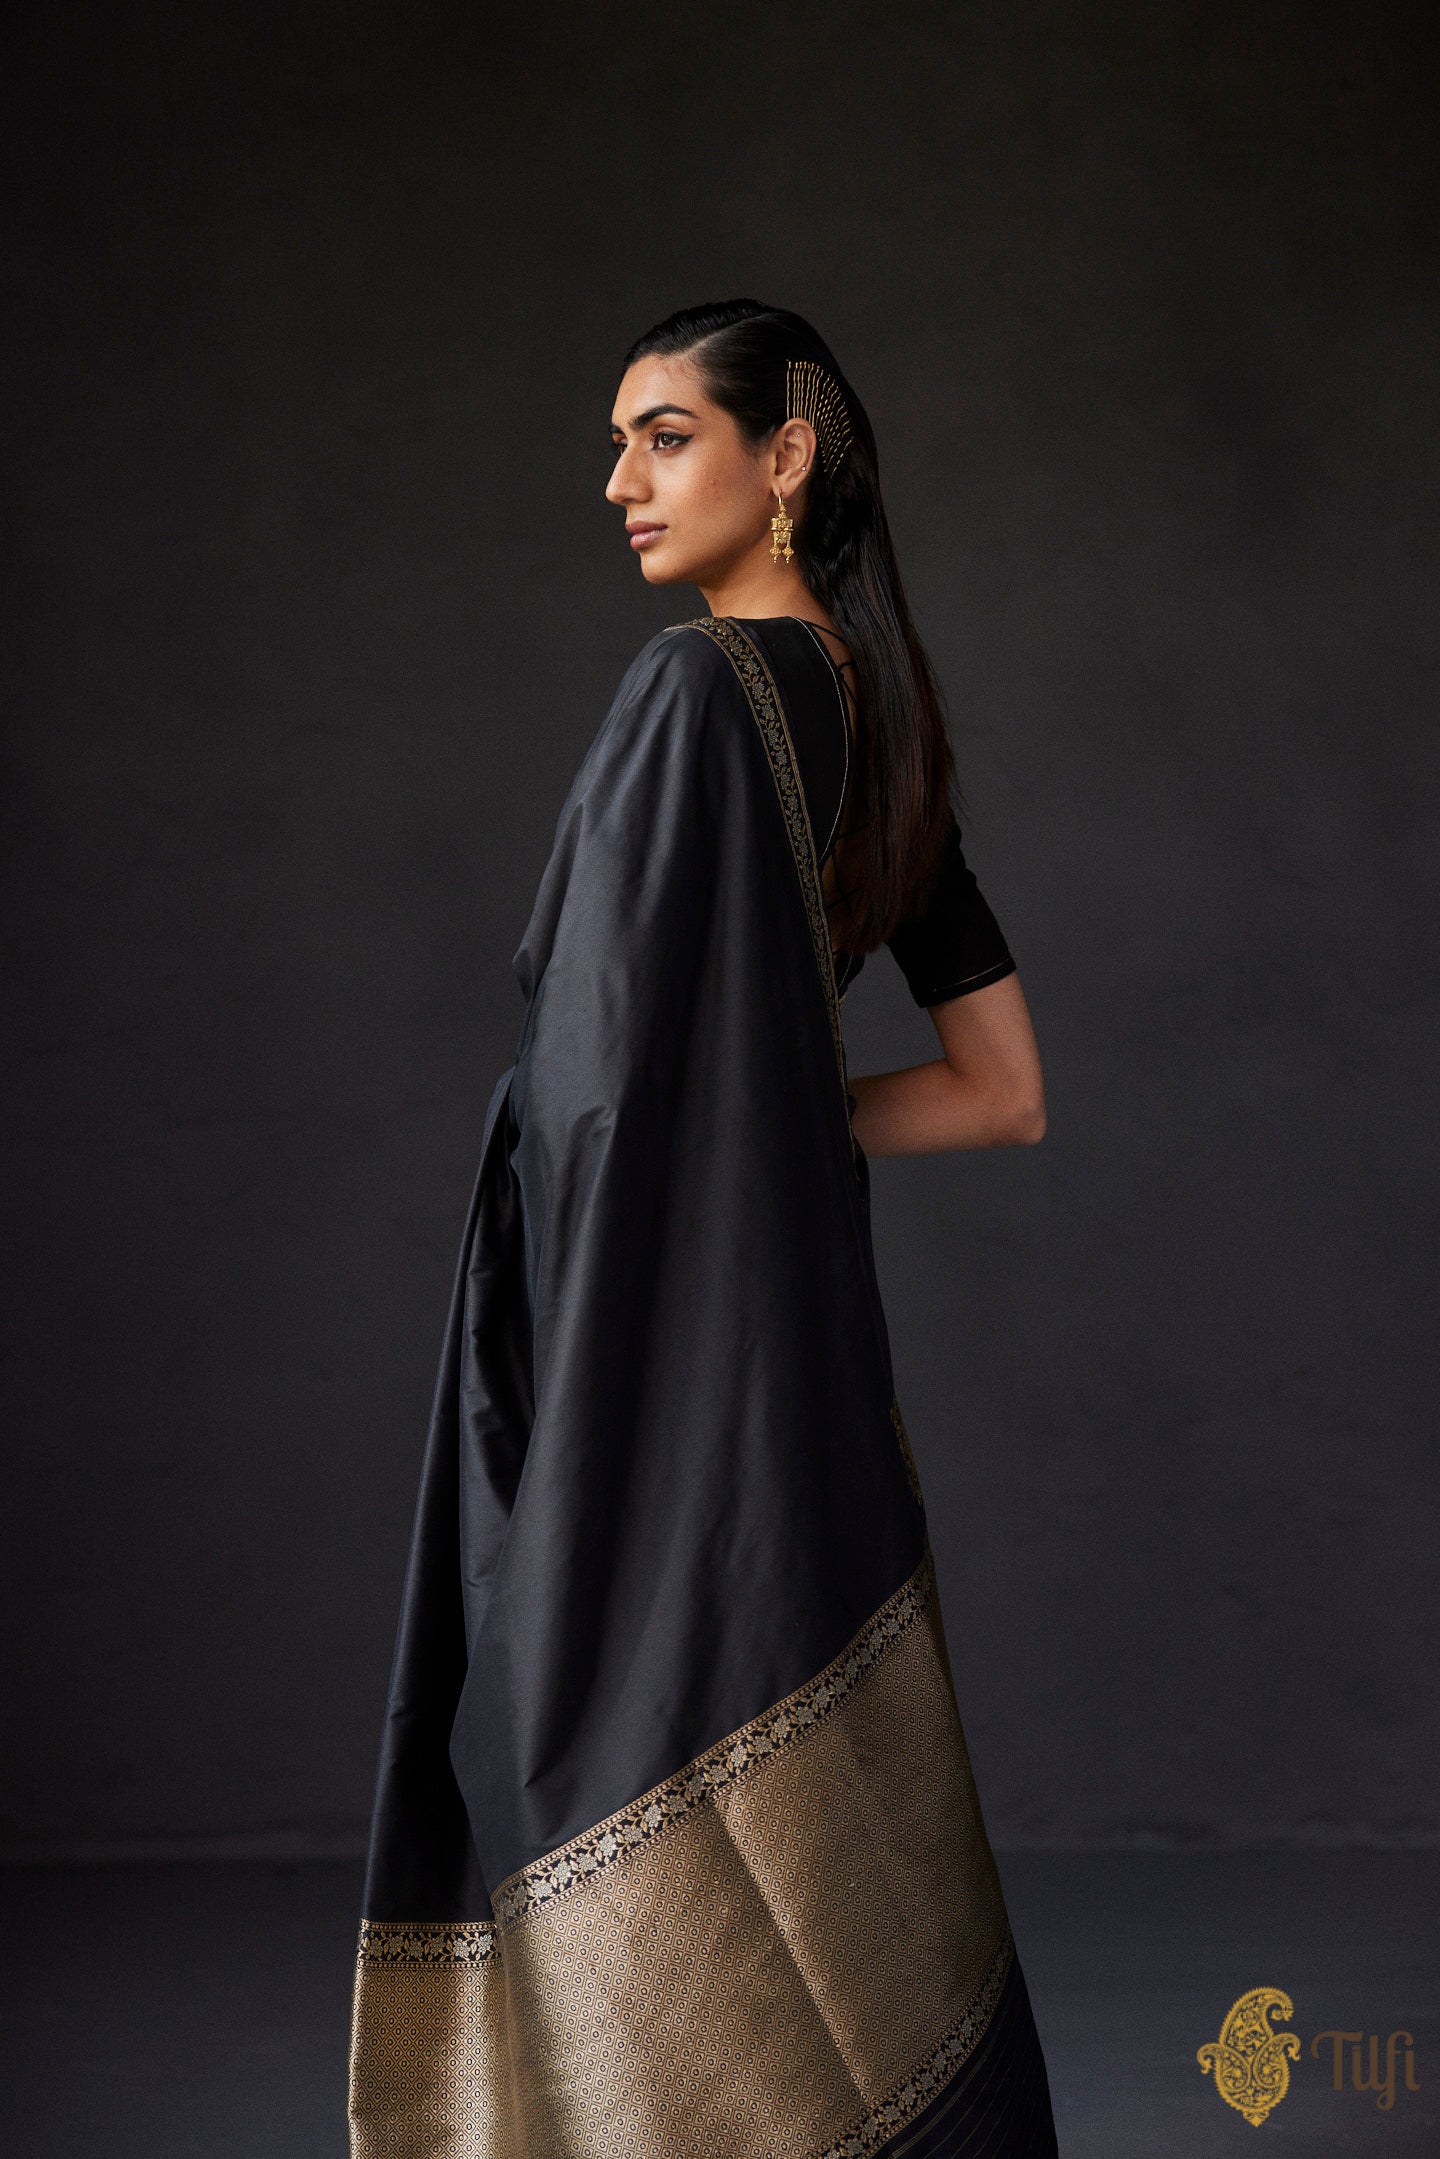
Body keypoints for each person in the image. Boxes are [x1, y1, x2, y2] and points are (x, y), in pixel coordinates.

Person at [348, 299, 1059, 2157]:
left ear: (786, 455)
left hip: (654, 1350)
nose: (620, 482)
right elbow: (1004, 1091)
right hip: (806, 1363)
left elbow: (595, 1080)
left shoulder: (691, 691)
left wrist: (567, 1348)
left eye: (664, 436)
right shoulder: (885, 727)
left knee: (579, 1740)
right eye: (619, 442)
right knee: (820, 1780)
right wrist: (767, 1136)